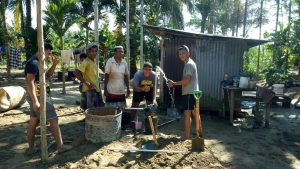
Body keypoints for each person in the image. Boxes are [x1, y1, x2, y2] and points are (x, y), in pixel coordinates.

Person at [25, 43, 72, 155]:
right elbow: (29, 82)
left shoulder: (41, 62)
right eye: (48, 53)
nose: (49, 55)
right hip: (39, 94)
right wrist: (35, 101)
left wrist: (54, 64)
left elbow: (48, 76)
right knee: (53, 119)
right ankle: (60, 146)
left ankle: (31, 149)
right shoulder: (33, 63)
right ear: (41, 50)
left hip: (40, 93)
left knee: (33, 121)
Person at [167, 45, 199, 140]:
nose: (181, 55)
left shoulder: (189, 64)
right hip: (193, 92)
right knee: (195, 114)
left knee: (187, 114)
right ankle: (199, 134)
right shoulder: (190, 63)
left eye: (183, 53)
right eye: (180, 54)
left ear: (188, 53)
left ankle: (187, 137)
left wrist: (174, 83)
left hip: (189, 92)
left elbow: (188, 79)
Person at [74, 43, 104, 109]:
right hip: (90, 90)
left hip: (95, 88)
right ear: (88, 52)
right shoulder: (86, 61)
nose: (94, 53)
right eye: (92, 51)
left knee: (96, 109)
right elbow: (76, 72)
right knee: (92, 110)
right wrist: (86, 82)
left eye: (96, 51)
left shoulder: (93, 61)